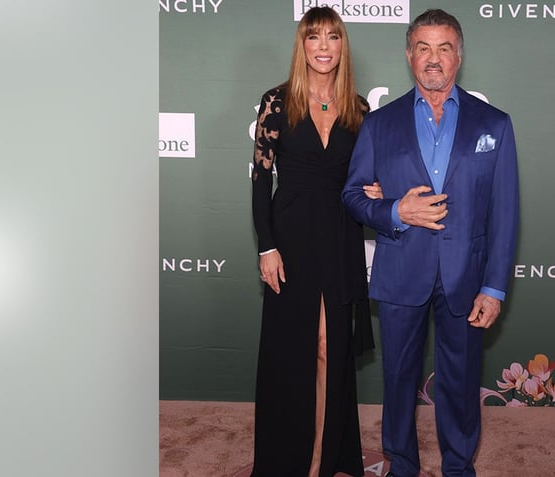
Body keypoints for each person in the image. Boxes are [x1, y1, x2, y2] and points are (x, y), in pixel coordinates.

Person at [342, 9, 519, 477]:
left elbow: (505, 213)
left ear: (459, 56)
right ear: (408, 55)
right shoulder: (379, 124)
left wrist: (495, 287)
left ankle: (459, 467)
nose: (433, 59)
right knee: (398, 381)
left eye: (444, 48)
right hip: (402, 270)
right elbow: (353, 196)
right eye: (423, 48)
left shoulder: (495, 124)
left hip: (467, 275)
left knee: (460, 385)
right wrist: (396, 211)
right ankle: (402, 466)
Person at [250, 7, 380, 477]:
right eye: (313, 37)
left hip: (341, 238)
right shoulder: (277, 102)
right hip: (291, 240)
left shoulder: (359, 108)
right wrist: (267, 246)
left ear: (343, 46)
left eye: (332, 37)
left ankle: (322, 460)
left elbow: (366, 177)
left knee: (330, 349)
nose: (323, 47)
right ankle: (289, 457)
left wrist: (376, 191)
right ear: (301, 46)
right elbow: (260, 181)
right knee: (293, 355)